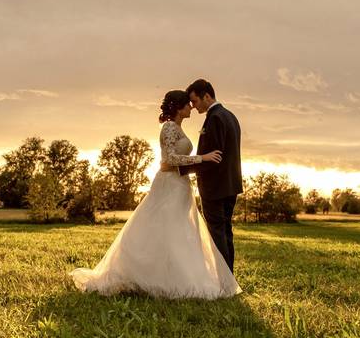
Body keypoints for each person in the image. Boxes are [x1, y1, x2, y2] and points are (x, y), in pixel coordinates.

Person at [69, 89, 241, 299]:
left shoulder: (177, 127)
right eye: (188, 104)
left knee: (179, 231)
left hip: (181, 184)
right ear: (179, 107)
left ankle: (177, 276)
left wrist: (199, 160)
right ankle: (154, 277)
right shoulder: (168, 127)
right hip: (168, 184)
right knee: (166, 227)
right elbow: (169, 160)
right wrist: (202, 158)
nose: (191, 107)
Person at [166, 79, 242, 273]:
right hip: (231, 185)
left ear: (206, 96)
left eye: (195, 101)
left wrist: (180, 170)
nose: (193, 106)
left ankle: (223, 279)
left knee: (217, 233)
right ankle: (228, 278)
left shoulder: (215, 118)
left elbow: (213, 158)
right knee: (225, 231)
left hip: (215, 187)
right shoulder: (230, 116)